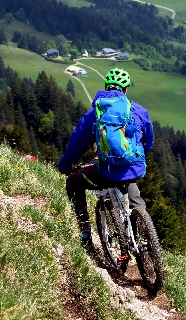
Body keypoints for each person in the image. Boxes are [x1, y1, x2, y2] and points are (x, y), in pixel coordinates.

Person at [58, 68, 154, 247]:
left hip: (107, 173)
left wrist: (65, 165)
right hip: (136, 168)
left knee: (73, 182)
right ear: (125, 90)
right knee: (134, 198)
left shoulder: (96, 113)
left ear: (106, 87)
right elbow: (149, 142)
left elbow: (77, 143)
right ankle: (146, 235)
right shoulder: (139, 111)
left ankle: (85, 233)